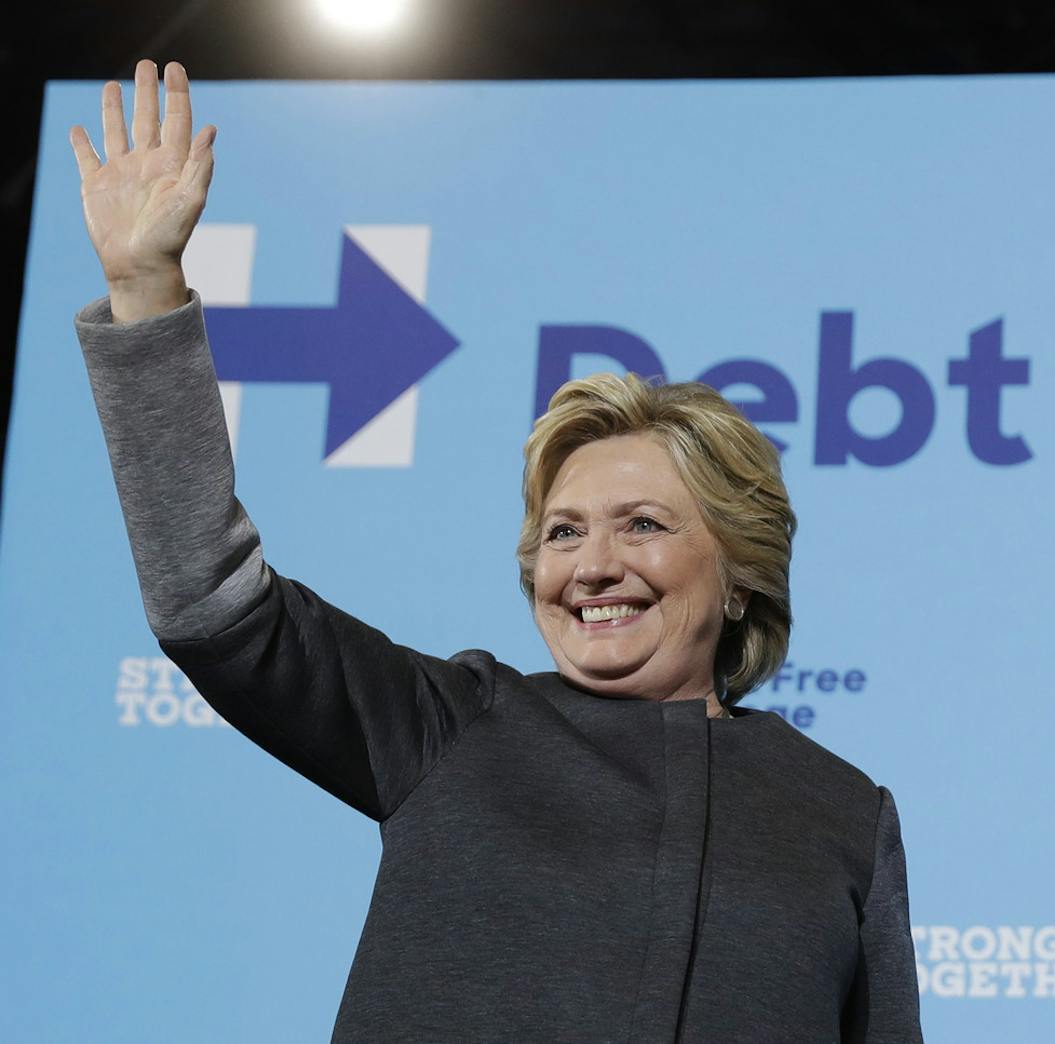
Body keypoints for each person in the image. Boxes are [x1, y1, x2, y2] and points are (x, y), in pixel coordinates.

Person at [70, 60, 921, 1042]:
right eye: (562, 533)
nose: (591, 564)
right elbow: (210, 602)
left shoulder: (845, 814)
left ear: (739, 576)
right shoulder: (457, 726)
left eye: (642, 524)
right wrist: (145, 289)